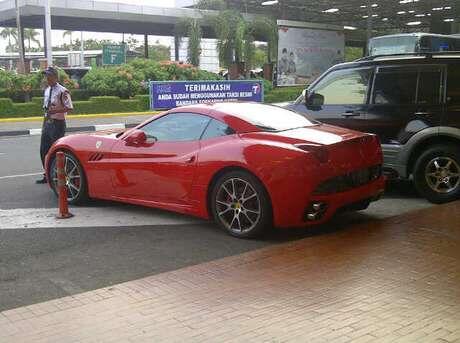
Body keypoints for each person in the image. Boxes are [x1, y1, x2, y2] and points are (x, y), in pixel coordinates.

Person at [36, 66, 73, 184]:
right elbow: (46, 107)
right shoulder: (47, 90)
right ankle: (47, 174)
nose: (47, 78)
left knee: (57, 151)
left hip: (58, 124)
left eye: (50, 76)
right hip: (47, 122)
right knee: (43, 150)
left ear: (56, 77)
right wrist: (45, 120)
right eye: (46, 76)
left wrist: (55, 111)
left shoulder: (63, 91)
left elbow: (69, 108)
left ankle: (59, 174)